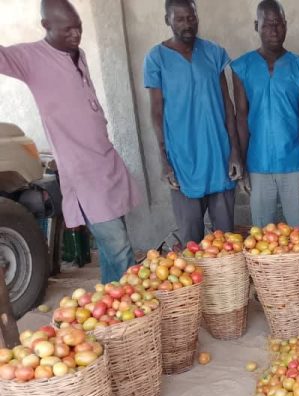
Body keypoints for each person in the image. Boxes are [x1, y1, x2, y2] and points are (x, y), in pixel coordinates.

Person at [0, 0, 139, 283]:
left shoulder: (79, 53)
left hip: (106, 162)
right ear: (46, 26)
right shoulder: (31, 58)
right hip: (83, 172)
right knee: (120, 248)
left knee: (112, 248)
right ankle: (130, 312)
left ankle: (112, 310)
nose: (76, 35)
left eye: (79, 27)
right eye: (67, 30)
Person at [144, 0, 242, 244]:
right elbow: (156, 112)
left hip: (218, 157)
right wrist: (164, 160)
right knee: (191, 241)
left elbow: (227, 105)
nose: (188, 24)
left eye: (191, 18)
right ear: (168, 20)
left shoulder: (213, 53)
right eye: (180, 19)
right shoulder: (156, 58)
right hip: (183, 161)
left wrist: (235, 151)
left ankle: (227, 283)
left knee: (226, 242)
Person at [232, 0, 299, 230]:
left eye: (278, 24)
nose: (274, 30)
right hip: (257, 162)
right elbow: (241, 117)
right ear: (256, 26)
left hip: (294, 163)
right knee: (261, 234)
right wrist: (242, 161)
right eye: (267, 25)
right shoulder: (242, 67)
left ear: (286, 25)